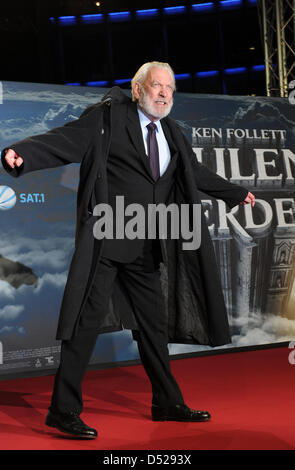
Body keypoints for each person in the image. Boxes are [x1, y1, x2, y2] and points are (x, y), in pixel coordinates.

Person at [2, 62, 255, 439]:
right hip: (106, 239)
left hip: (147, 243)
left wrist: (234, 193)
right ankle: (62, 410)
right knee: (83, 325)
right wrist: (23, 153)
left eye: (170, 87)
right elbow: (65, 140)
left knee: (153, 327)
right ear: (138, 89)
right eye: (157, 86)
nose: (165, 93)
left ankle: (166, 402)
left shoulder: (172, 131)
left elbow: (193, 173)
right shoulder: (108, 118)